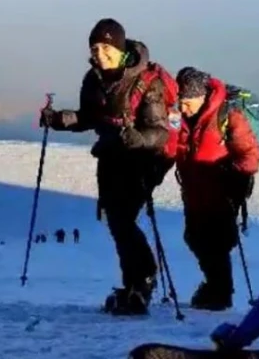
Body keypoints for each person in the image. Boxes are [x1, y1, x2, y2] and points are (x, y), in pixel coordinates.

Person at [40, 18, 178, 315]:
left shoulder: (145, 82)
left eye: (106, 47)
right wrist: (58, 119)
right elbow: (89, 117)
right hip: (112, 155)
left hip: (144, 159)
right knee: (117, 221)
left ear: (119, 48)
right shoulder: (94, 79)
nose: (99, 54)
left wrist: (137, 138)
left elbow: (160, 132)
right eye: (95, 47)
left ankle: (142, 280)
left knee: (122, 218)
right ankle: (134, 284)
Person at [173, 67, 259, 311]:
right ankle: (215, 287)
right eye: (180, 102)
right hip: (193, 194)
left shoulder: (227, 115)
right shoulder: (180, 120)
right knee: (194, 239)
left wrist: (233, 175)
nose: (183, 108)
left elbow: (250, 154)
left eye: (187, 103)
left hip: (222, 194)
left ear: (201, 97)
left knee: (216, 244)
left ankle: (219, 294)